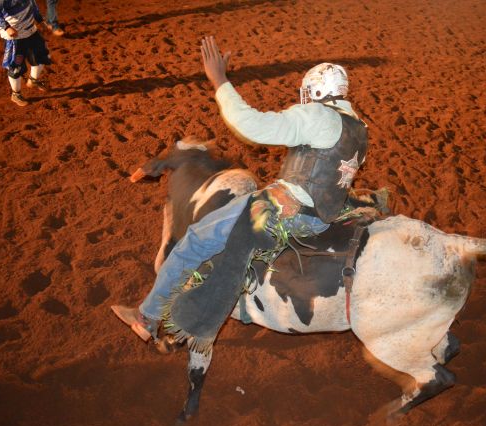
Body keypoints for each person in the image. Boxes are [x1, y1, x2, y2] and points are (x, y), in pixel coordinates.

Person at [112, 36, 368, 352]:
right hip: (322, 217)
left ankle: (147, 315)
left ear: (316, 92)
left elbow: (252, 126)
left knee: (194, 239)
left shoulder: (318, 117)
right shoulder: (358, 127)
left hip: (285, 210)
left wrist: (219, 81)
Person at [0, 0, 52, 106]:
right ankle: (16, 94)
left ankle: (33, 80)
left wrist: (39, 19)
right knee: (15, 66)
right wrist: (6, 27)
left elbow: (32, 2)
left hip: (31, 30)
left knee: (42, 55)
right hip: (15, 36)